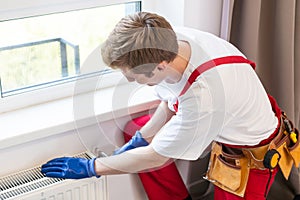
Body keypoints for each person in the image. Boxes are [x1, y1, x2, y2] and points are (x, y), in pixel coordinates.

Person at [41, 12, 300, 200]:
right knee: (138, 131)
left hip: (250, 145)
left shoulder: (203, 97)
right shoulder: (167, 41)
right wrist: (142, 138)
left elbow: (157, 156)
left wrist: (92, 168)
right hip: (226, 111)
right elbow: (172, 95)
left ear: (160, 66)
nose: (130, 81)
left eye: (133, 76)